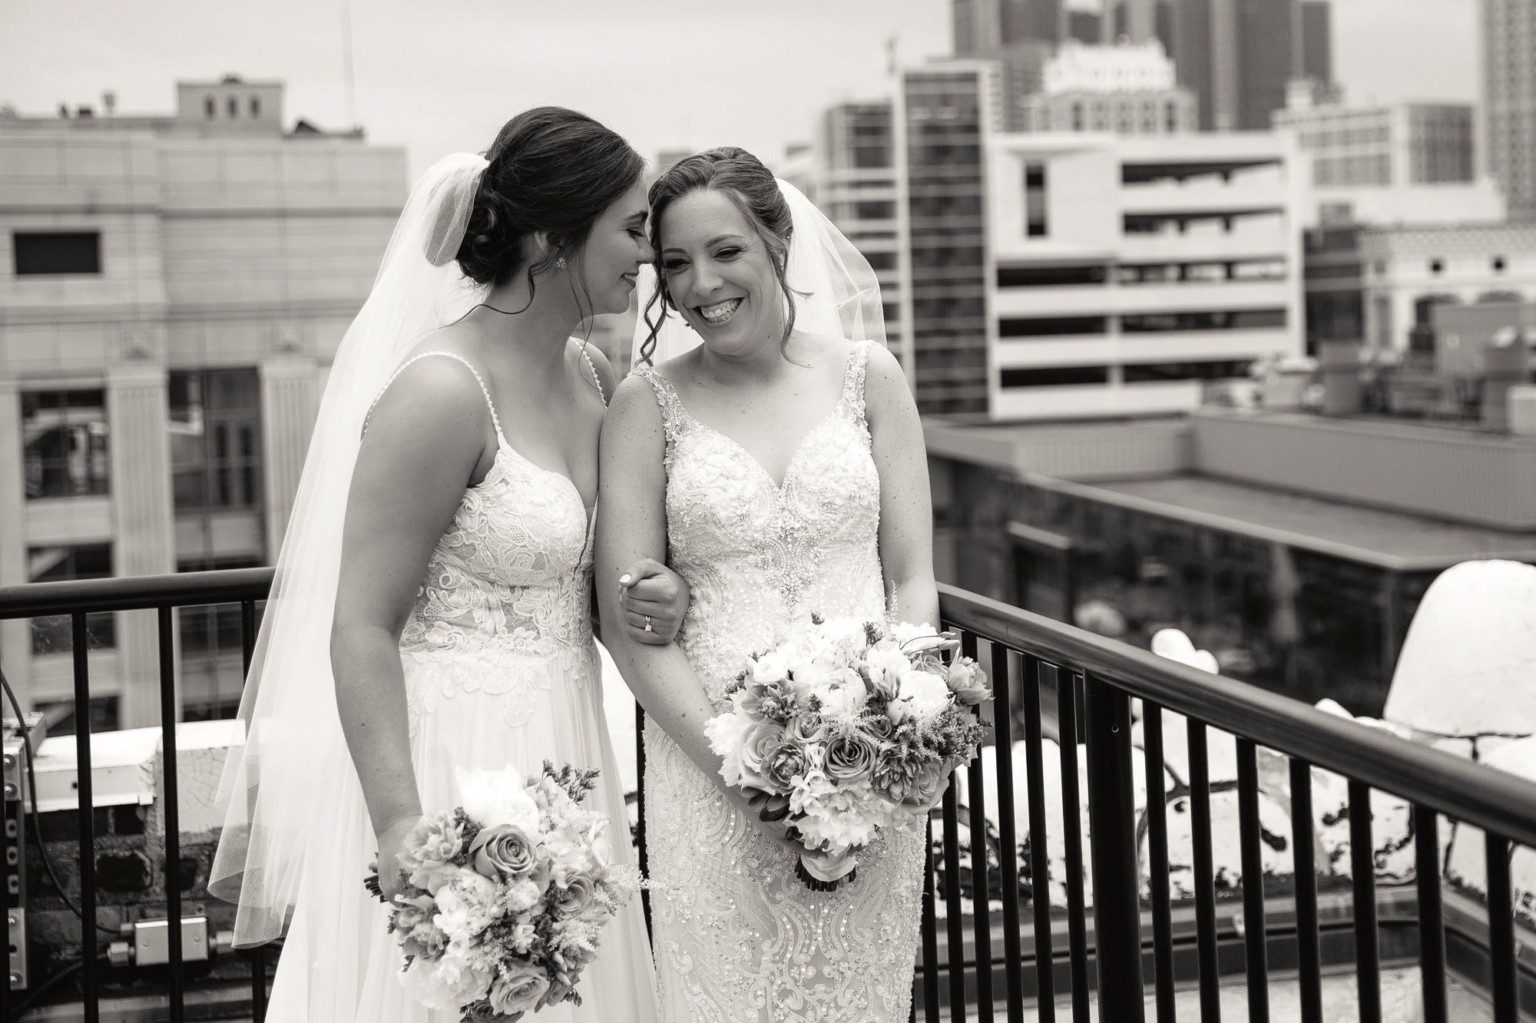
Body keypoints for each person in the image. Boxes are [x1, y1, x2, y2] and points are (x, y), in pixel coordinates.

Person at [211, 107, 683, 1021]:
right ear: (552, 236)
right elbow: (360, 622)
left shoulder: (590, 376)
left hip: (566, 751)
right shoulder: (440, 390)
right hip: (448, 759)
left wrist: (663, 588)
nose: (649, 253)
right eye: (632, 228)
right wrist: (401, 825)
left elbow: (596, 582)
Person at [597, 147, 939, 1022]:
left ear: (779, 241)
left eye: (725, 251)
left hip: (868, 776)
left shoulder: (872, 377)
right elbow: (628, 614)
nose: (699, 284)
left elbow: (911, 575)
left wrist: (896, 731)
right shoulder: (646, 405)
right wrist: (743, 773)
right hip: (707, 775)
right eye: (674, 264)